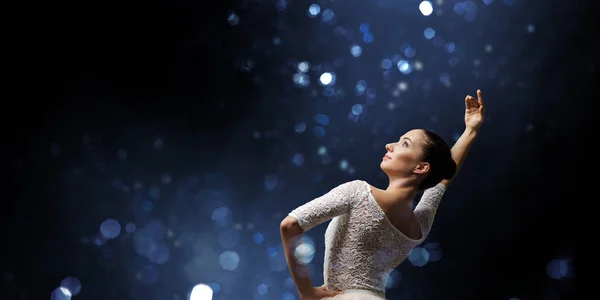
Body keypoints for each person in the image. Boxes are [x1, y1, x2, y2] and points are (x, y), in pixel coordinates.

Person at [279, 90, 486, 300]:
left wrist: (306, 291)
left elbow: (290, 225)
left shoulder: (358, 193)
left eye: (404, 143)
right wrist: (471, 131)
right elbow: (443, 180)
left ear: (421, 167)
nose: (390, 145)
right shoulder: (419, 227)